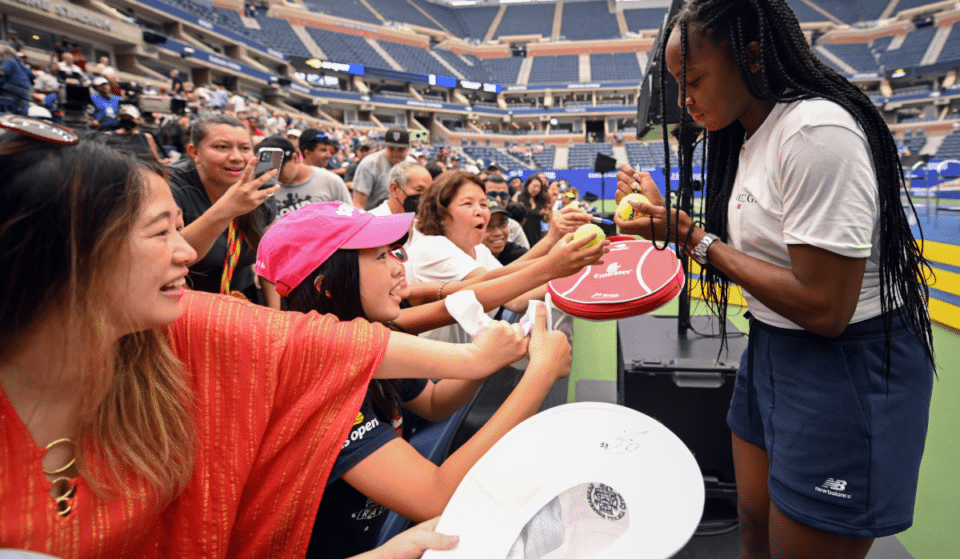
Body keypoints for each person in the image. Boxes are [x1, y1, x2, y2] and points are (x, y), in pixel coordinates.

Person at [0, 119, 548, 557]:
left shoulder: (165, 334)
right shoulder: (184, 331)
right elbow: (434, 489)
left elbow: (317, 342)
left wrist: (480, 359)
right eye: (160, 231)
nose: (189, 252)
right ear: (71, 258)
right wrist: (528, 370)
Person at [612, 1, 935, 558]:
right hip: (773, 347)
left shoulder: (815, 131)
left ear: (753, 56)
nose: (684, 99)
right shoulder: (750, 132)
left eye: (693, 80)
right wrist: (673, 223)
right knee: (753, 520)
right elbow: (756, 255)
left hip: (845, 366)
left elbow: (825, 307)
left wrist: (695, 239)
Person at [254, 202, 573, 559]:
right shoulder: (315, 383)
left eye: (394, 253)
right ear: (326, 285)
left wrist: (491, 360)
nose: (398, 269)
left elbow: (434, 403)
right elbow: (436, 497)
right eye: (379, 258)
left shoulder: (373, 336)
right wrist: (540, 374)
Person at [407, 171, 594, 344]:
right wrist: (569, 270)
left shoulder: (477, 248)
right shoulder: (431, 248)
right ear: (440, 215)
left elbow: (507, 281)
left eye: (483, 203)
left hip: (463, 363)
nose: (480, 210)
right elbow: (510, 297)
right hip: (434, 375)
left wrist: (554, 243)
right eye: (467, 204)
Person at [166, 114, 281, 306]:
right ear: (195, 152)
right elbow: (171, 257)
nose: (236, 157)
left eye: (245, 148)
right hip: (183, 304)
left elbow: (268, 259)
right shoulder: (170, 186)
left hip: (241, 299)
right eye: (221, 147)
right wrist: (228, 209)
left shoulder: (260, 186)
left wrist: (276, 316)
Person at [255, 135, 351, 215]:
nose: (273, 174)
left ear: (295, 158)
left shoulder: (330, 181)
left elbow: (352, 219)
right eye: (267, 171)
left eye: (278, 169)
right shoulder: (267, 190)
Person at [353, 127, 412, 210]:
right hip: (373, 217)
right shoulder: (369, 164)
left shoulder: (413, 165)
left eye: (401, 149)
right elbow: (358, 204)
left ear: (408, 149)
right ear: (385, 147)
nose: (396, 153)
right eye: (391, 148)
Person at [368, 160, 432, 218]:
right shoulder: (370, 223)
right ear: (394, 189)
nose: (425, 197)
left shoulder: (422, 224)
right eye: (419, 190)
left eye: (428, 191)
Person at [483, 174, 529, 250]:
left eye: (503, 195)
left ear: (508, 198)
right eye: (492, 195)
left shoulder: (514, 226)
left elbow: (527, 257)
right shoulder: (470, 224)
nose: (498, 199)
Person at [483, 200, 528, 266]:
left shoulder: (517, 254)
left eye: (502, 223)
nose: (498, 233)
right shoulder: (467, 258)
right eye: (488, 226)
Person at [512, 174, 550, 246]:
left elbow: (546, 220)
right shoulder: (518, 197)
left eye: (539, 187)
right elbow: (512, 214)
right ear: (527, 185)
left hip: (536, 234)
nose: (536, 189)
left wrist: (546, 214)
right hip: (521, 233)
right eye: (534, 186)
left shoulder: (541, 200)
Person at [0, 44, 32, 115]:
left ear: (6, 53)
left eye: (2, 55)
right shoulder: (21, 63)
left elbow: (2, 72)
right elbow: (31, 75)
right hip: (26, 91)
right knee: (21, 113)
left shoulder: (9, 59)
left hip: (13, 89)